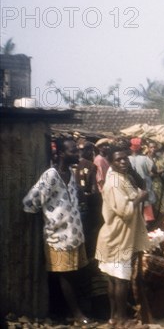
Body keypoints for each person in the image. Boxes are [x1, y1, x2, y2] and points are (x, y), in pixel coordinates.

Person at [23, 139, 90, 325]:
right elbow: (30, 202)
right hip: (58, 237)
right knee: (65, 277)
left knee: (73, 275)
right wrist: (48, 221)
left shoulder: (69, 173)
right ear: (61, 154)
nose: (77, 154)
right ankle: (76, 315)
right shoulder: (51, 175)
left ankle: (69, 313)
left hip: (75, 235)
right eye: (73, 151)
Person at [95, 146, 150, 328]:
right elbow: (125, 211)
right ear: (111, 162)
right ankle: (122, 318)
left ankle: (114, 318)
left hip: (120, 236)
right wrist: (140, 198)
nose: (123, 162)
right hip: (117, 238)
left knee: (114, 279)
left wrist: (133, 172)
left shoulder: (124, 178)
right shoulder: (114, 183)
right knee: (120, 280)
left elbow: (141, 185)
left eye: (125, 159)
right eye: (118, 160)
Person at [76, 140, 102, 261]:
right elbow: (93, 188)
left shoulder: (72, 165)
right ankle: (90, 258)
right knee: (91, 231)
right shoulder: (90, 166)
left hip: (73, 204)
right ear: (86, 151)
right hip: (87, 203)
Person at [129, 137, 157, 224]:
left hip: (132, 188)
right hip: (145, 186)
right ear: (140, 147)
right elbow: (153, 170)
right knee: (146, 207)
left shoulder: (127, 159)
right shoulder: (145, 159)